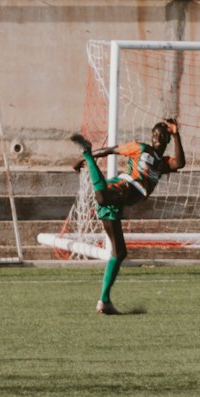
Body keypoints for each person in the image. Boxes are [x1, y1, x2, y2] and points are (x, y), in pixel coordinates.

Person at [70, 118, 185, 313]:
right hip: (123, 186)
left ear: (166, 140)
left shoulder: (162, 164)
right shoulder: (141, 148)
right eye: (155, 135)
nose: (157, 138)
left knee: (120, 252)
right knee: (104, 197)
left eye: (162, 136)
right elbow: (112, 150)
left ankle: (104, 301)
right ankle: (88, 154)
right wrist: (86, 158)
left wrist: (176, 134)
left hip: (117, 206)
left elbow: (180, 163)